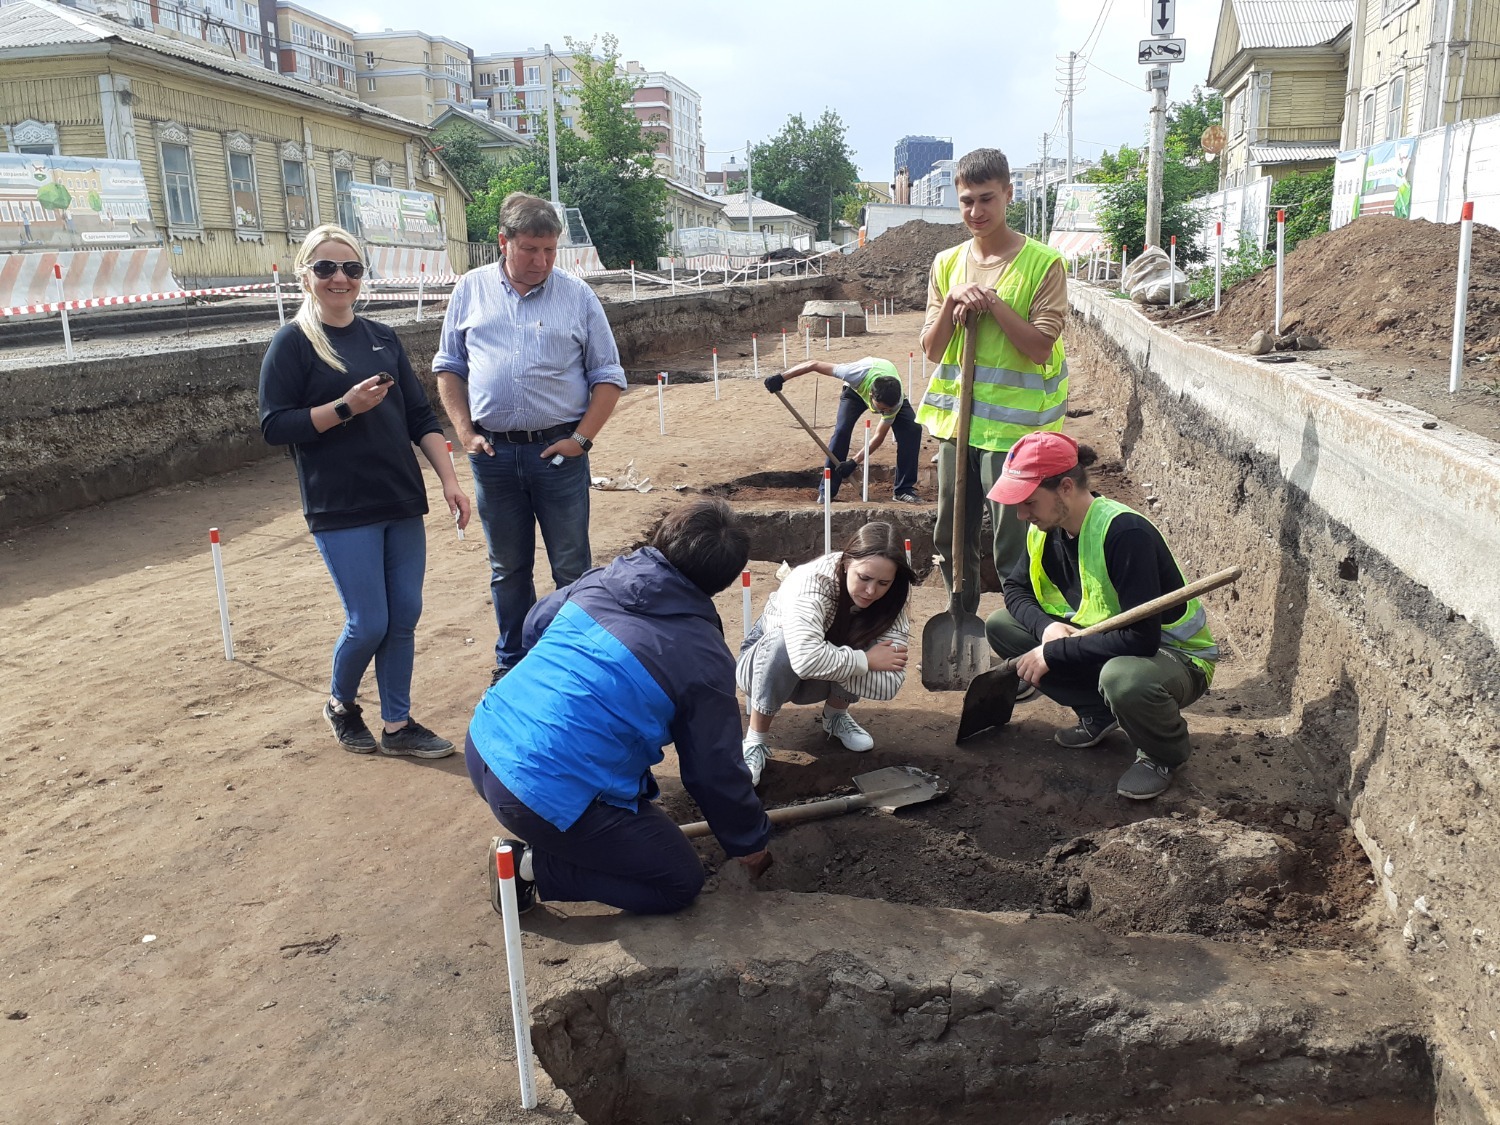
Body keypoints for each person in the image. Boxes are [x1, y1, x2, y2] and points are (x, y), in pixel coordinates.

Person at [465, 499, 773, 915]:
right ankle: (528, 868)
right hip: (532, 794)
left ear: (662, 541)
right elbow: (713, 771)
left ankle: (565, 829)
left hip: (484, 737)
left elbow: (536, 624)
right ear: (722, 582)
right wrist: (749, 843)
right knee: (679, 881)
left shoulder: (601, 580)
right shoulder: (703, 657)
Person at [259, 223, 470, 758]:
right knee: (368, 620)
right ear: (304, 274)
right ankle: (340, 704)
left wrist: (449, 480)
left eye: (351, 268)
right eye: (326, 267)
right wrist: (345, 408)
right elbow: (274, 426)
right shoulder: (293, 343)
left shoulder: (383, 336)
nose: (339, 278)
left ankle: (397, 726)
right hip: (340, 503)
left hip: (399, 496)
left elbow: (419, 415)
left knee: (404, 615)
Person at [433, 191, 627, 687]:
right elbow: (449, 368)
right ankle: (513, 661)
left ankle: (573, 660)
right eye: (530, 249)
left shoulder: (578, 296)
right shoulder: (470, 290)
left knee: (571, 566)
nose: (541, 261)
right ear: (503, 242)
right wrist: (465, 433)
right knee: (508, 569)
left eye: (549, 250)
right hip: (493, 455)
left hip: (558, 454)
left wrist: (581, 441)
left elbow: (608, 375)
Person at [983, 432, 1219, 800]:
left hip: (1172, 657)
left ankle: (1162, 755)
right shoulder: (1044, 530)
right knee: (1002, 626)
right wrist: (1047, 629)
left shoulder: (1125, 533)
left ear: (1064, 487)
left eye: (1029, 502)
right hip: (1105, 640)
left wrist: (1051, 653)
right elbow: (1016, 589)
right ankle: (1098, 712)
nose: (1021, 514)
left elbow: (1141, 639)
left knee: (1123, 680)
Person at [917, 147, 1069, 613]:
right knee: (951, 532)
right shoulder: (946, 264)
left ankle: (1023, 628)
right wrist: (951, 303)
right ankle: (959, 614)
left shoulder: (1043, 264)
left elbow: (1040, 347)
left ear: (1008, 194)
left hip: (1015, 434)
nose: (976, 211)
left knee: (1013, 540)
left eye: (986, 199)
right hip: (955, 429)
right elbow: (932, 348)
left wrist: (993, 303)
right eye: (966, 201)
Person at [737, 522, 915, 784]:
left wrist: (847, 656)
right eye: (864, 578)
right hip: (764, 667)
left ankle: (835, 717)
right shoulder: (812, 583)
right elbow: (804, 658)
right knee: (785, 642)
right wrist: (864, 660)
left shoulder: (895, 596)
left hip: (819, 675)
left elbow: (889, 685)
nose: (871, 591)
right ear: (845, 563)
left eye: (883, 583)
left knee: (858, 636)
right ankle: (755, 739)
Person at [763, 358, 924, 503]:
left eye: (885, 410)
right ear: (871, 396)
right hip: (855, 391)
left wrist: (853, 462)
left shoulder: (894, 403)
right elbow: (814, 364)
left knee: (912, 430)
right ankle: (827, 490)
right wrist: (781, 377)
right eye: (880, 409)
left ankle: (903, 490)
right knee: (842, 432)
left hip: (888, 388)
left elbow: (878, 436)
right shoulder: (853, 374)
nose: (882, 413)